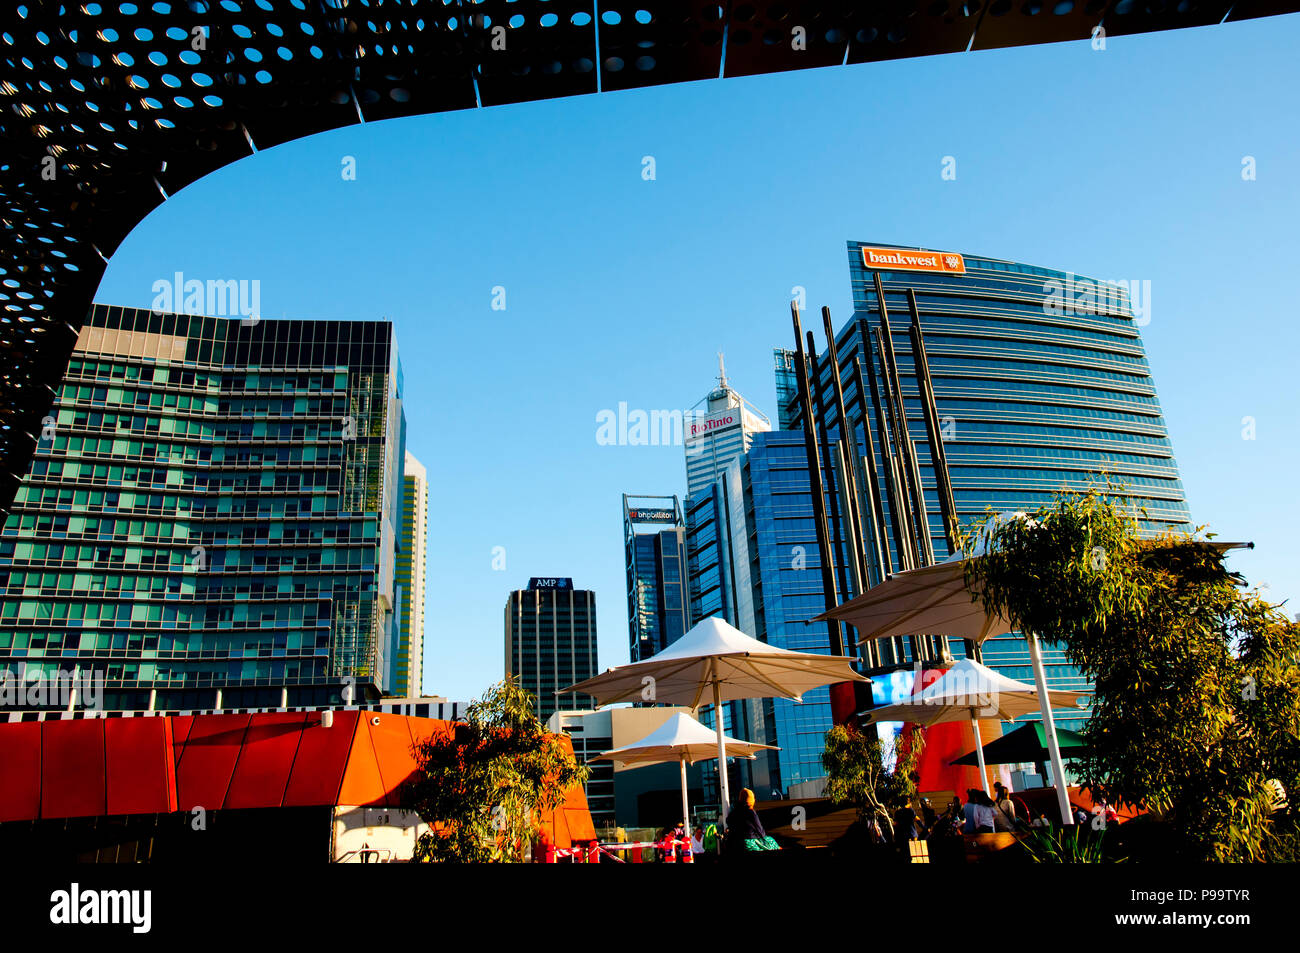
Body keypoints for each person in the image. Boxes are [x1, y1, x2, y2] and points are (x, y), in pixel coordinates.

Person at [722, 788, 780, 855]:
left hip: (735, 844)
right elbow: (760, 830)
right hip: (749, 843)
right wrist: (765, 839)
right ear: (750, 801)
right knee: (772, 842)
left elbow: (728, 822)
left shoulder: (733, 812)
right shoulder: (751, 812)